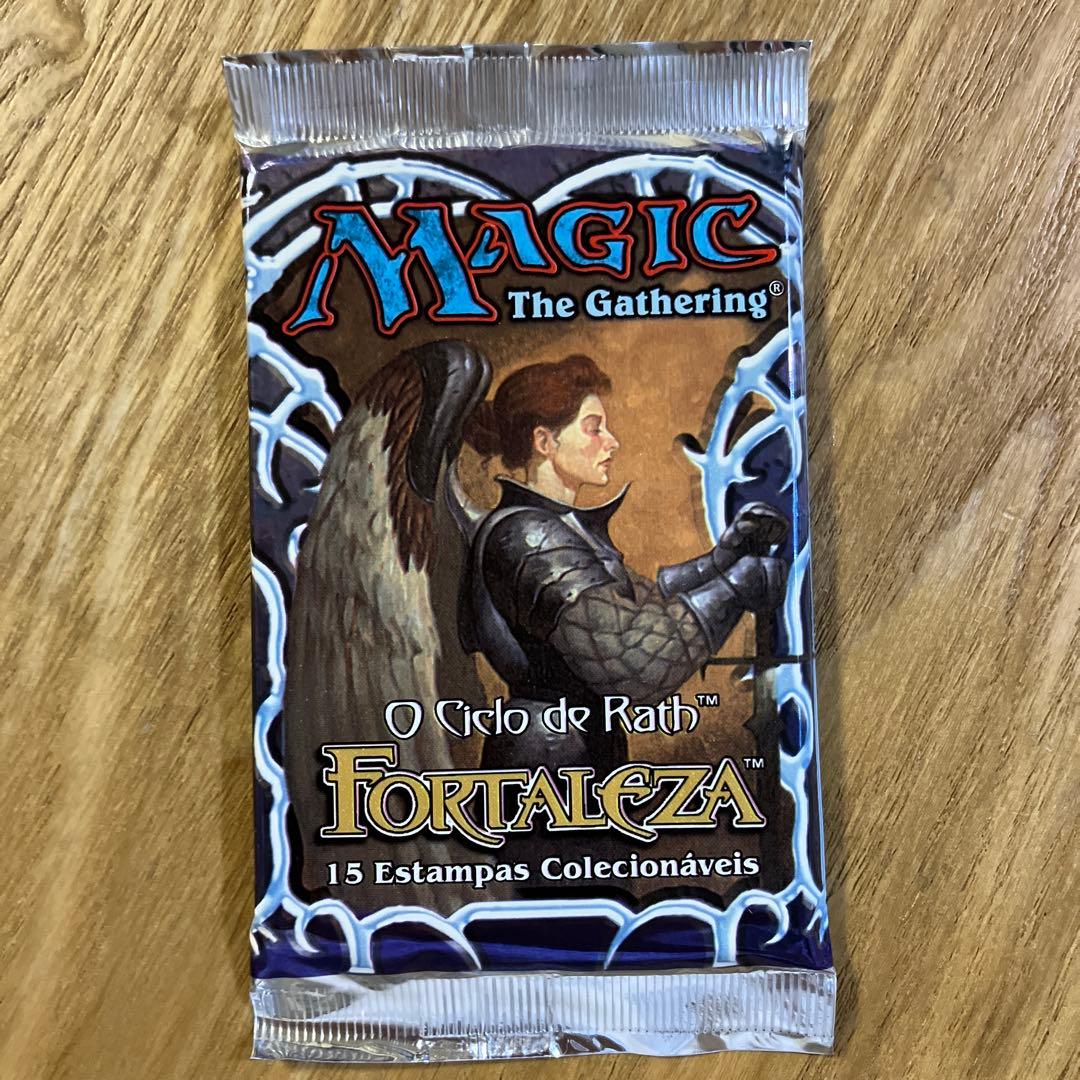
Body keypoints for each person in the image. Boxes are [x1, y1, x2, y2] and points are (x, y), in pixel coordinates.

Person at [459, 354, 787, 774]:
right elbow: (631, 660)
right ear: (544, 442)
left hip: (577, 756)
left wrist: (724, 558)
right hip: (547, 768)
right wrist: (733, 588)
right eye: (594, 428)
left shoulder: (556, 529)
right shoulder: (530, 538)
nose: (611, 442)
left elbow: (643, 603)